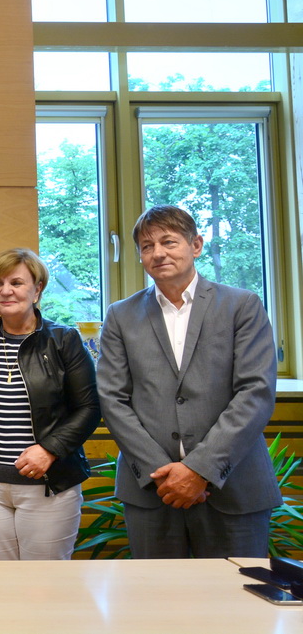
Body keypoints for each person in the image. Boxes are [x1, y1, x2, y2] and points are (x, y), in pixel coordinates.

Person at [97, 204, 280, 558]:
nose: (158, 253)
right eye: (147, 246)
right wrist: (163, 475)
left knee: (235, 593)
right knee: (157, 593)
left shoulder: (242, 305)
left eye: (169, 242)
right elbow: (112, 399)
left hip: (233, 487)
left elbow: (255, 393)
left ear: (195, 245)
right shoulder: (120, 315)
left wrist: (199, 471)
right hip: (153, 490)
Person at [0, 248, 99, 560]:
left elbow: (90, 408)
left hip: (49, 485)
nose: (5, 291)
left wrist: (50, 449)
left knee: (43, 583)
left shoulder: (64, 340)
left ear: (37, 290)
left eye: (16, 283)